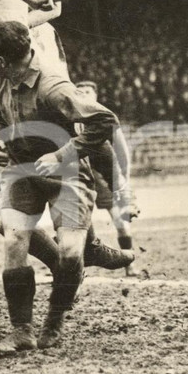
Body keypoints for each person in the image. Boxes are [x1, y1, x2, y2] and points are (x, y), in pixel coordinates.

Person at [0, 21, 119, 355]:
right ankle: (21, 331)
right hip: (21, 170)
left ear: (2, 61)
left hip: (67, 172)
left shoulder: (53, 87)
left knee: (71, 251)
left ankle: (54, 323)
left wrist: (62, 154)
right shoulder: (1, 79)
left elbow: (105, 120)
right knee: (13, 237)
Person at [75, 81, 138, 275]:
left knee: (120, 221)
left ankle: (129, 263)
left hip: (103, 175)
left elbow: (122, 152)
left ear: (95, 96)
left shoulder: (104, 117)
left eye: (88, 92)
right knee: (77, 224)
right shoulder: (72, 117)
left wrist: (123, 184)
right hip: (81, 174)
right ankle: (73, 270)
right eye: (81, 92)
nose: (84, 94)